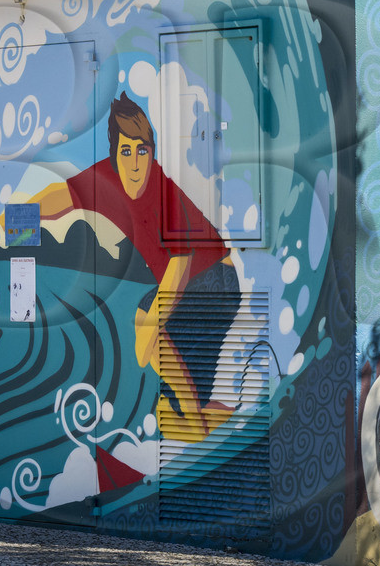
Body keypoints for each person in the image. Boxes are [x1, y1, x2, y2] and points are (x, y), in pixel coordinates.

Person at [30, 93, 240, 442]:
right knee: (170, 413)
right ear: (115, 154)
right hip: (194, 289)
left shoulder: (161, 190)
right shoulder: (105, 180)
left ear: (151, 151)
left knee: (147, 324)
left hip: (215, 282)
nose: (135, 163)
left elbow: (181, 264)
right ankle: (211, 422)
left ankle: (200, 425)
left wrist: (151, 326)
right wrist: (14, 222)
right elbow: (58, 197)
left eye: (142, 150)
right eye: (126, 152)